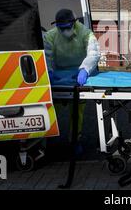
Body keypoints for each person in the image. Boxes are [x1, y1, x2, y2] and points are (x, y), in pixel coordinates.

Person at [44, 9, 101, 153]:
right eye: (61, 28)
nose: (64, 31)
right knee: (50, 109)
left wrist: (85, 69)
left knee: (77, 111)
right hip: (58, 76)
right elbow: (47, 56)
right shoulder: (50, 36)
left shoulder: (85, 33)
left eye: (67, 28)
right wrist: (49, 71)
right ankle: (47, 139)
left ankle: (75, 140)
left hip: (78, 74)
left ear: (74, 24)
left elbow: (93, 53)